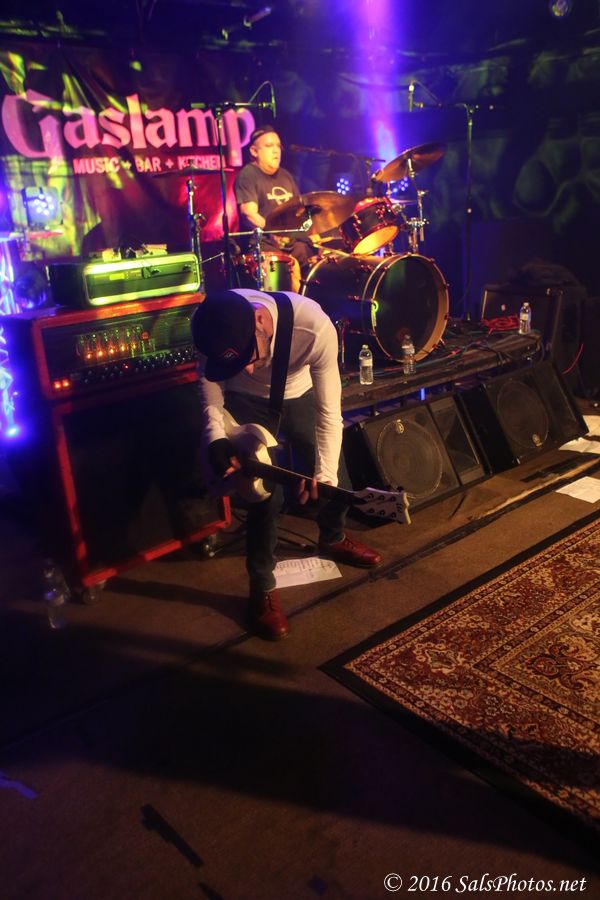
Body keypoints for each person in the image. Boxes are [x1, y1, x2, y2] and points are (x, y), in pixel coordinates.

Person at [191, 287, 382, 641]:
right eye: (238, 364)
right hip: (246, 400)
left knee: (334, 469)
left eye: (249, 356)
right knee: (265, 494)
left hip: (300, 392)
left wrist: (324, 477)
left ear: (260, 321)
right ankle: (262, 585)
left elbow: (329, 414)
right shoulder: (214, 319)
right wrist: (215, 436)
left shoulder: (314, 327)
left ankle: (333, 536)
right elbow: (210, 384)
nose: (248, 368)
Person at [233, 124, 316, 284]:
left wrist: (313, 230)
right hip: (265, 243)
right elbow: (249, 213)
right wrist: (274, 232)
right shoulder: (248, 175)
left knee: (316, 257)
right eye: (269, 146)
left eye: (278, 146)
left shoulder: (286, 176)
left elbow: (299, 211)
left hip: (291, 242)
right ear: (254, 151)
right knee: (290, 265)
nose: (276, 151)